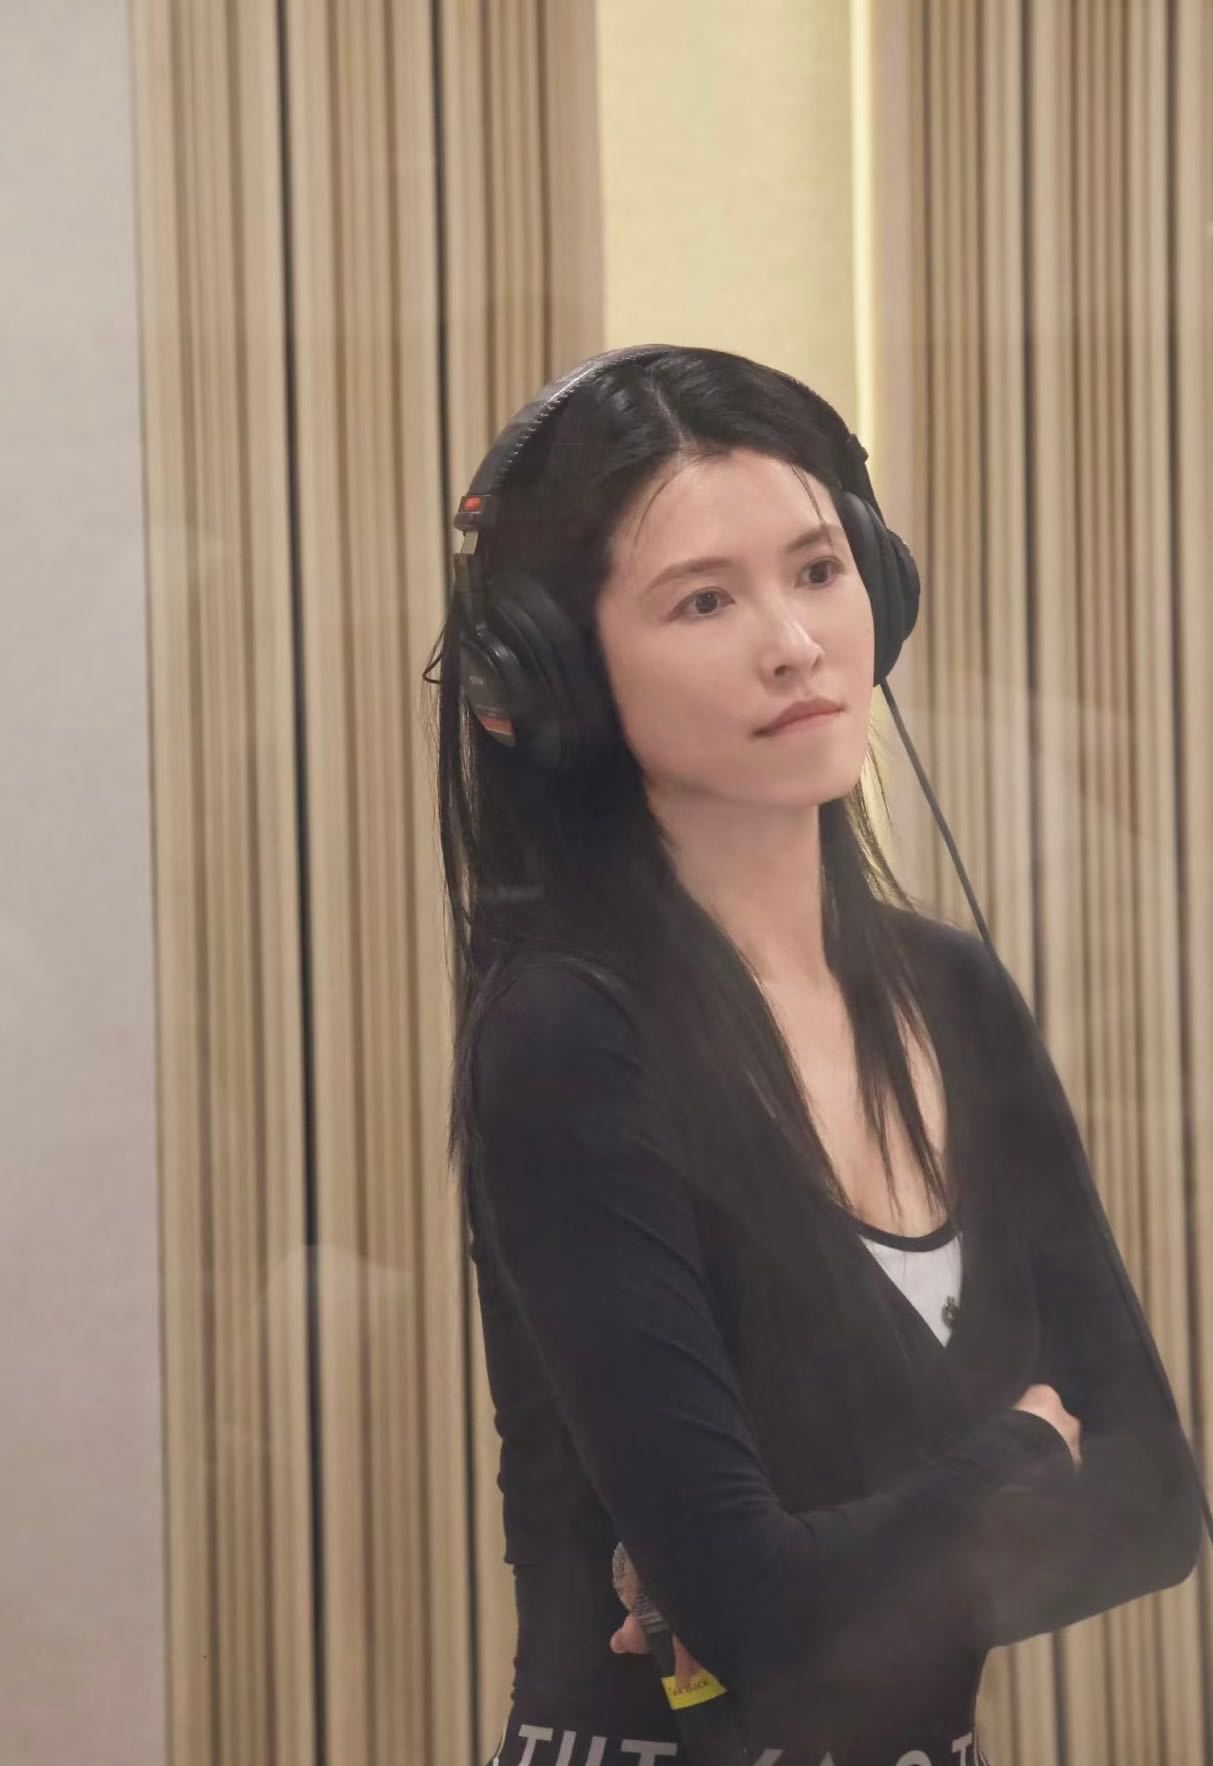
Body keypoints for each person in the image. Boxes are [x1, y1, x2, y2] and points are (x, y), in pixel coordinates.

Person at [428, 346, 1203, 1766]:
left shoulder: (950, 989)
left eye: (818, 569)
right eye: (704, 600)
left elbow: (1153, 1507)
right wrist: (1021, 1449)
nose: (793, 643)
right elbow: (763, 1615)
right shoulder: (568, 1036)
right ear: (554, 678)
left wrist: (815, 1572)